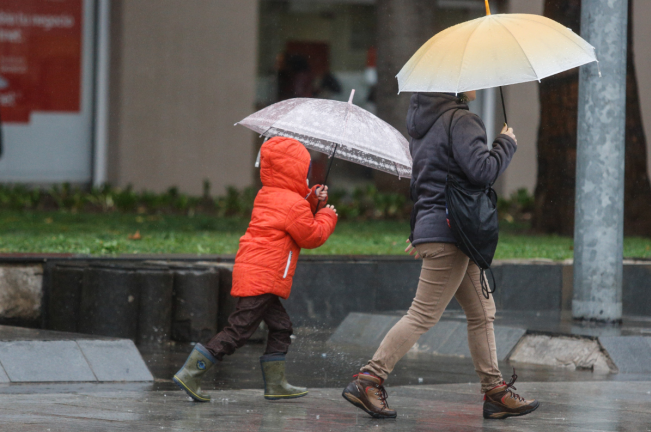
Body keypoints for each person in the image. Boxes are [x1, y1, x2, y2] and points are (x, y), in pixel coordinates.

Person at [342, 91, 539, 420]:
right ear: (457, 86)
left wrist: (419, 228)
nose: (478, 85)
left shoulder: (424, 125)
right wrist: (506, 143)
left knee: (481, 311)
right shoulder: (462, 120)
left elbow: (421, 181)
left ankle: (495, 393)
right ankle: (370, 378)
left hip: (447, 230)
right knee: (422, 315)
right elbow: (482, 171)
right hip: (453, 231)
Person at [173, 136, 338, 402]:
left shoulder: (268, 194)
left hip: (256, 271)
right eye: (305, 172)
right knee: (238, 331)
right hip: (265, 276)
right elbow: (311, 236)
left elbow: (292, 209)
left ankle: (276, 385)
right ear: (295, 170)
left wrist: (312, 197)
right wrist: (327, 214)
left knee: (281, 327)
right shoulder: (293, 205)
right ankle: (192, 373)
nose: (307, 177)